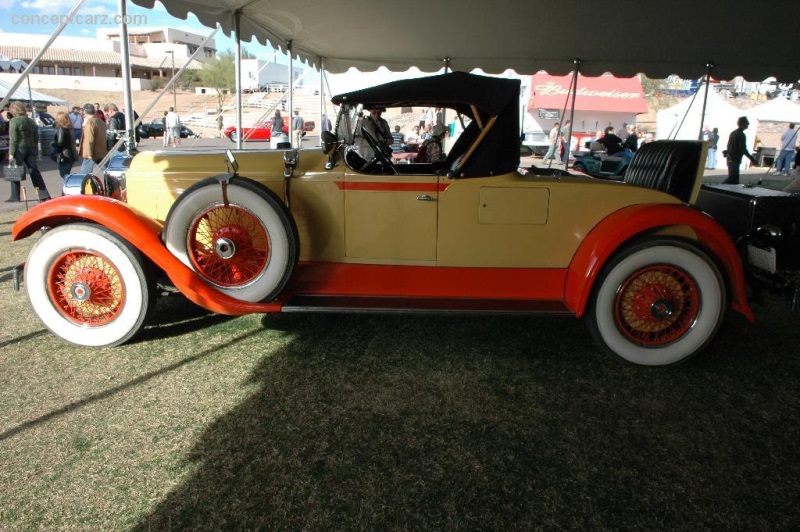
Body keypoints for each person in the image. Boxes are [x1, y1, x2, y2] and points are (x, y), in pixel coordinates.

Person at [5, 101, 50, 202]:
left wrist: (11, 153)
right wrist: (34, 147)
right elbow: (36, 136)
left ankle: (15, 196)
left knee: (15, 171)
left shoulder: (14, 121)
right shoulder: (30, 121)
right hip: (31, 147)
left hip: (20, 148)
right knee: (34, 172)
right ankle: (44, 195)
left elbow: (14, 139)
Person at [722, 116, 757, 185]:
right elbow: (743, 149)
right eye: (747, 123)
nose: (748, 124)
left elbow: (729, 145)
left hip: (730, 156)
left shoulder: (733, 133)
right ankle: (719, 188)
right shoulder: (741, 135)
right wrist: (752, 159)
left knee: (733, 177)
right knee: (733, 177)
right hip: (735, 157)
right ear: (743, 124)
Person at [79, 102, 108, 175]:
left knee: (85, 175)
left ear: (85, 112)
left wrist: (89, 154)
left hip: (92, 153)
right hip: (101, 151)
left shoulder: (90, 123)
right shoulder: (101, 121)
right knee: (107, 172)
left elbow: (89, 139)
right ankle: (114, 183)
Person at [53, 111, 77, 180]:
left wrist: (54, 144)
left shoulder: (61, 129)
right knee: (66, 174)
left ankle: (68, 188)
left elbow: (61, 142)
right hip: (71, 153)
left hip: (65, 155)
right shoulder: (70, 128)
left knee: (64, 174)